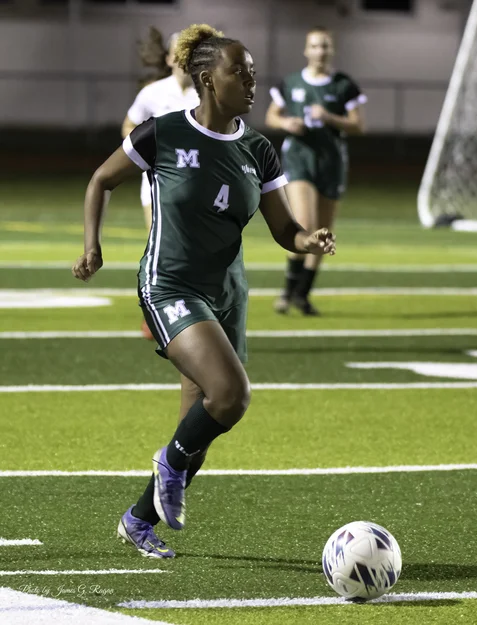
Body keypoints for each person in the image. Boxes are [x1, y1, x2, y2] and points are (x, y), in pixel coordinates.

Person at [72, 23, 335, 559]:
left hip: (226, 294)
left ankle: (138, 520)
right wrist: (92, 247)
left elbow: (284, 229)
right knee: (231, 395)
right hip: (169, 283)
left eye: (253, 72)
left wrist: (308, 239)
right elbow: (101, 179)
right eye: (240, 72)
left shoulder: (258, 149)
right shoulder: (163, 132)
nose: (251, 81)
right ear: (209, 79)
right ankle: (168, 463)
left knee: (202, 425)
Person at [265, 26, 366, 316]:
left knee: (324, 233)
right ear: (306, 50)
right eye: (315, 46)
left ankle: (302, 294)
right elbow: (271, 116)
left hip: (331, 162)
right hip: (300, 159)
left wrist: (330, 117)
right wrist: (286, 123)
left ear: (331, 50)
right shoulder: (292, 83)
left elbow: (358, 125)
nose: (320, 51)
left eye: (325, 46)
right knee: (305, 224)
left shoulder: (343, 85)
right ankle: (288, 291)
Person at [122, 28, 199, 340]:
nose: (184, 58)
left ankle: (189, 314)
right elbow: (129, 124)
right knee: (162, 251)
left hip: (197, 187)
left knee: (192, 253)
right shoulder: (153, 93)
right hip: (157, 186)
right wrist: (143, 149)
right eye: (179, 51)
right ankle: (155, 314)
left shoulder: (207, 93)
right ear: (168, 59)